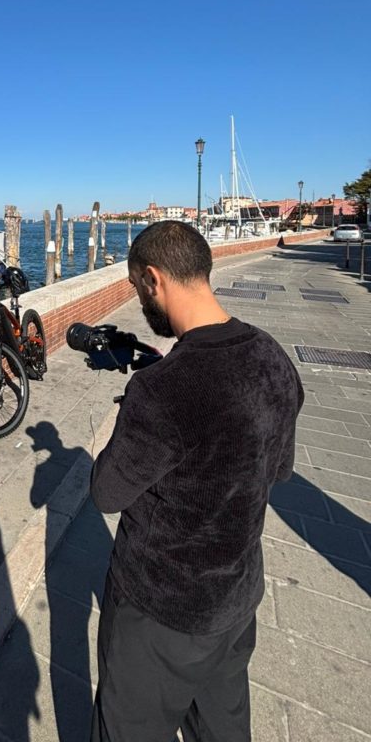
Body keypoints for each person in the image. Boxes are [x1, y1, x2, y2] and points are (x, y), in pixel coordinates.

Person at [89, 221, 303, 742]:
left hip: (159, 612)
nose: (140, 300)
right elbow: (278, 470)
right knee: (223, 728)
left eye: (138, 288)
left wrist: (131, 412)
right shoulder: (273, 358)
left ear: (154, 279)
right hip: (235, 601)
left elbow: (107, 493)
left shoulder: (160, 390)